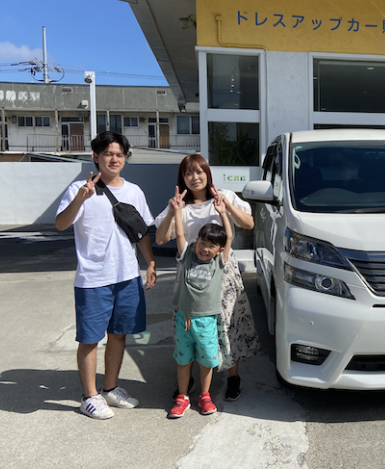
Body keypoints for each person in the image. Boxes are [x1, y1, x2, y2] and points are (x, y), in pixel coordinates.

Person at [55, 131, 156, 420]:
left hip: (127, 275)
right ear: (96, 156)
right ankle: (89, 397)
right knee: (89, 339)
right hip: (93, 278)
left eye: (119, 154)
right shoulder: (79, 189)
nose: (114, 159)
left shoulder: (134, 191)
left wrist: (150, 262)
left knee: (119, 335)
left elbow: (140, 231)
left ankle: (109, 388)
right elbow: (61, 224)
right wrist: (80, 199)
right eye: (108, 153)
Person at [155, 154, 259, 401]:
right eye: (188, 173)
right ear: (183, 178)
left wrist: (227, 206)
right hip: (191, 274)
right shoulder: (180, 205)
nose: (194, 177)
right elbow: (160, 238)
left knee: (228, 323)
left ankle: (232, 376)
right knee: (189, 326)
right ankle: (187, 377)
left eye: (199, 171)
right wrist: (172, 212)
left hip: (223, 272)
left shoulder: (224, 195)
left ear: (207, 173)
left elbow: (248, 224)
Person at [168, 192, 232, 418]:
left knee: (206, 360)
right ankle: (183, 397)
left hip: (206, 320)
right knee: (183, 360)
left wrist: (223, 213)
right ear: (196, 242)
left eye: (211, 246)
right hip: (184, 319)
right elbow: (179, 233)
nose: (205, 248)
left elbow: (229, 237)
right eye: (202, 243)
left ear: (219, 250)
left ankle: (205, 396)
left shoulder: (218, 262)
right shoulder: (187, 256)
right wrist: (177, 210)